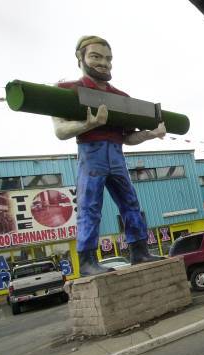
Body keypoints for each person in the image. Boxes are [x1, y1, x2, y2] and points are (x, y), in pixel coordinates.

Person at [52, 35, 166, 276]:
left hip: (116, 155)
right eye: (95, 56)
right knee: (89, 205)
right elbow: (60, 131)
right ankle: (86, 261)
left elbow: (127, 137)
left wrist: (150, 134)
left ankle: (139, 251)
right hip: (91, 155)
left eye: (108, 58)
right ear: (80, 58)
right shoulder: (66, 90)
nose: (103, 63)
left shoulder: (121, 97)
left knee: (130, 203)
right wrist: (88, 125)